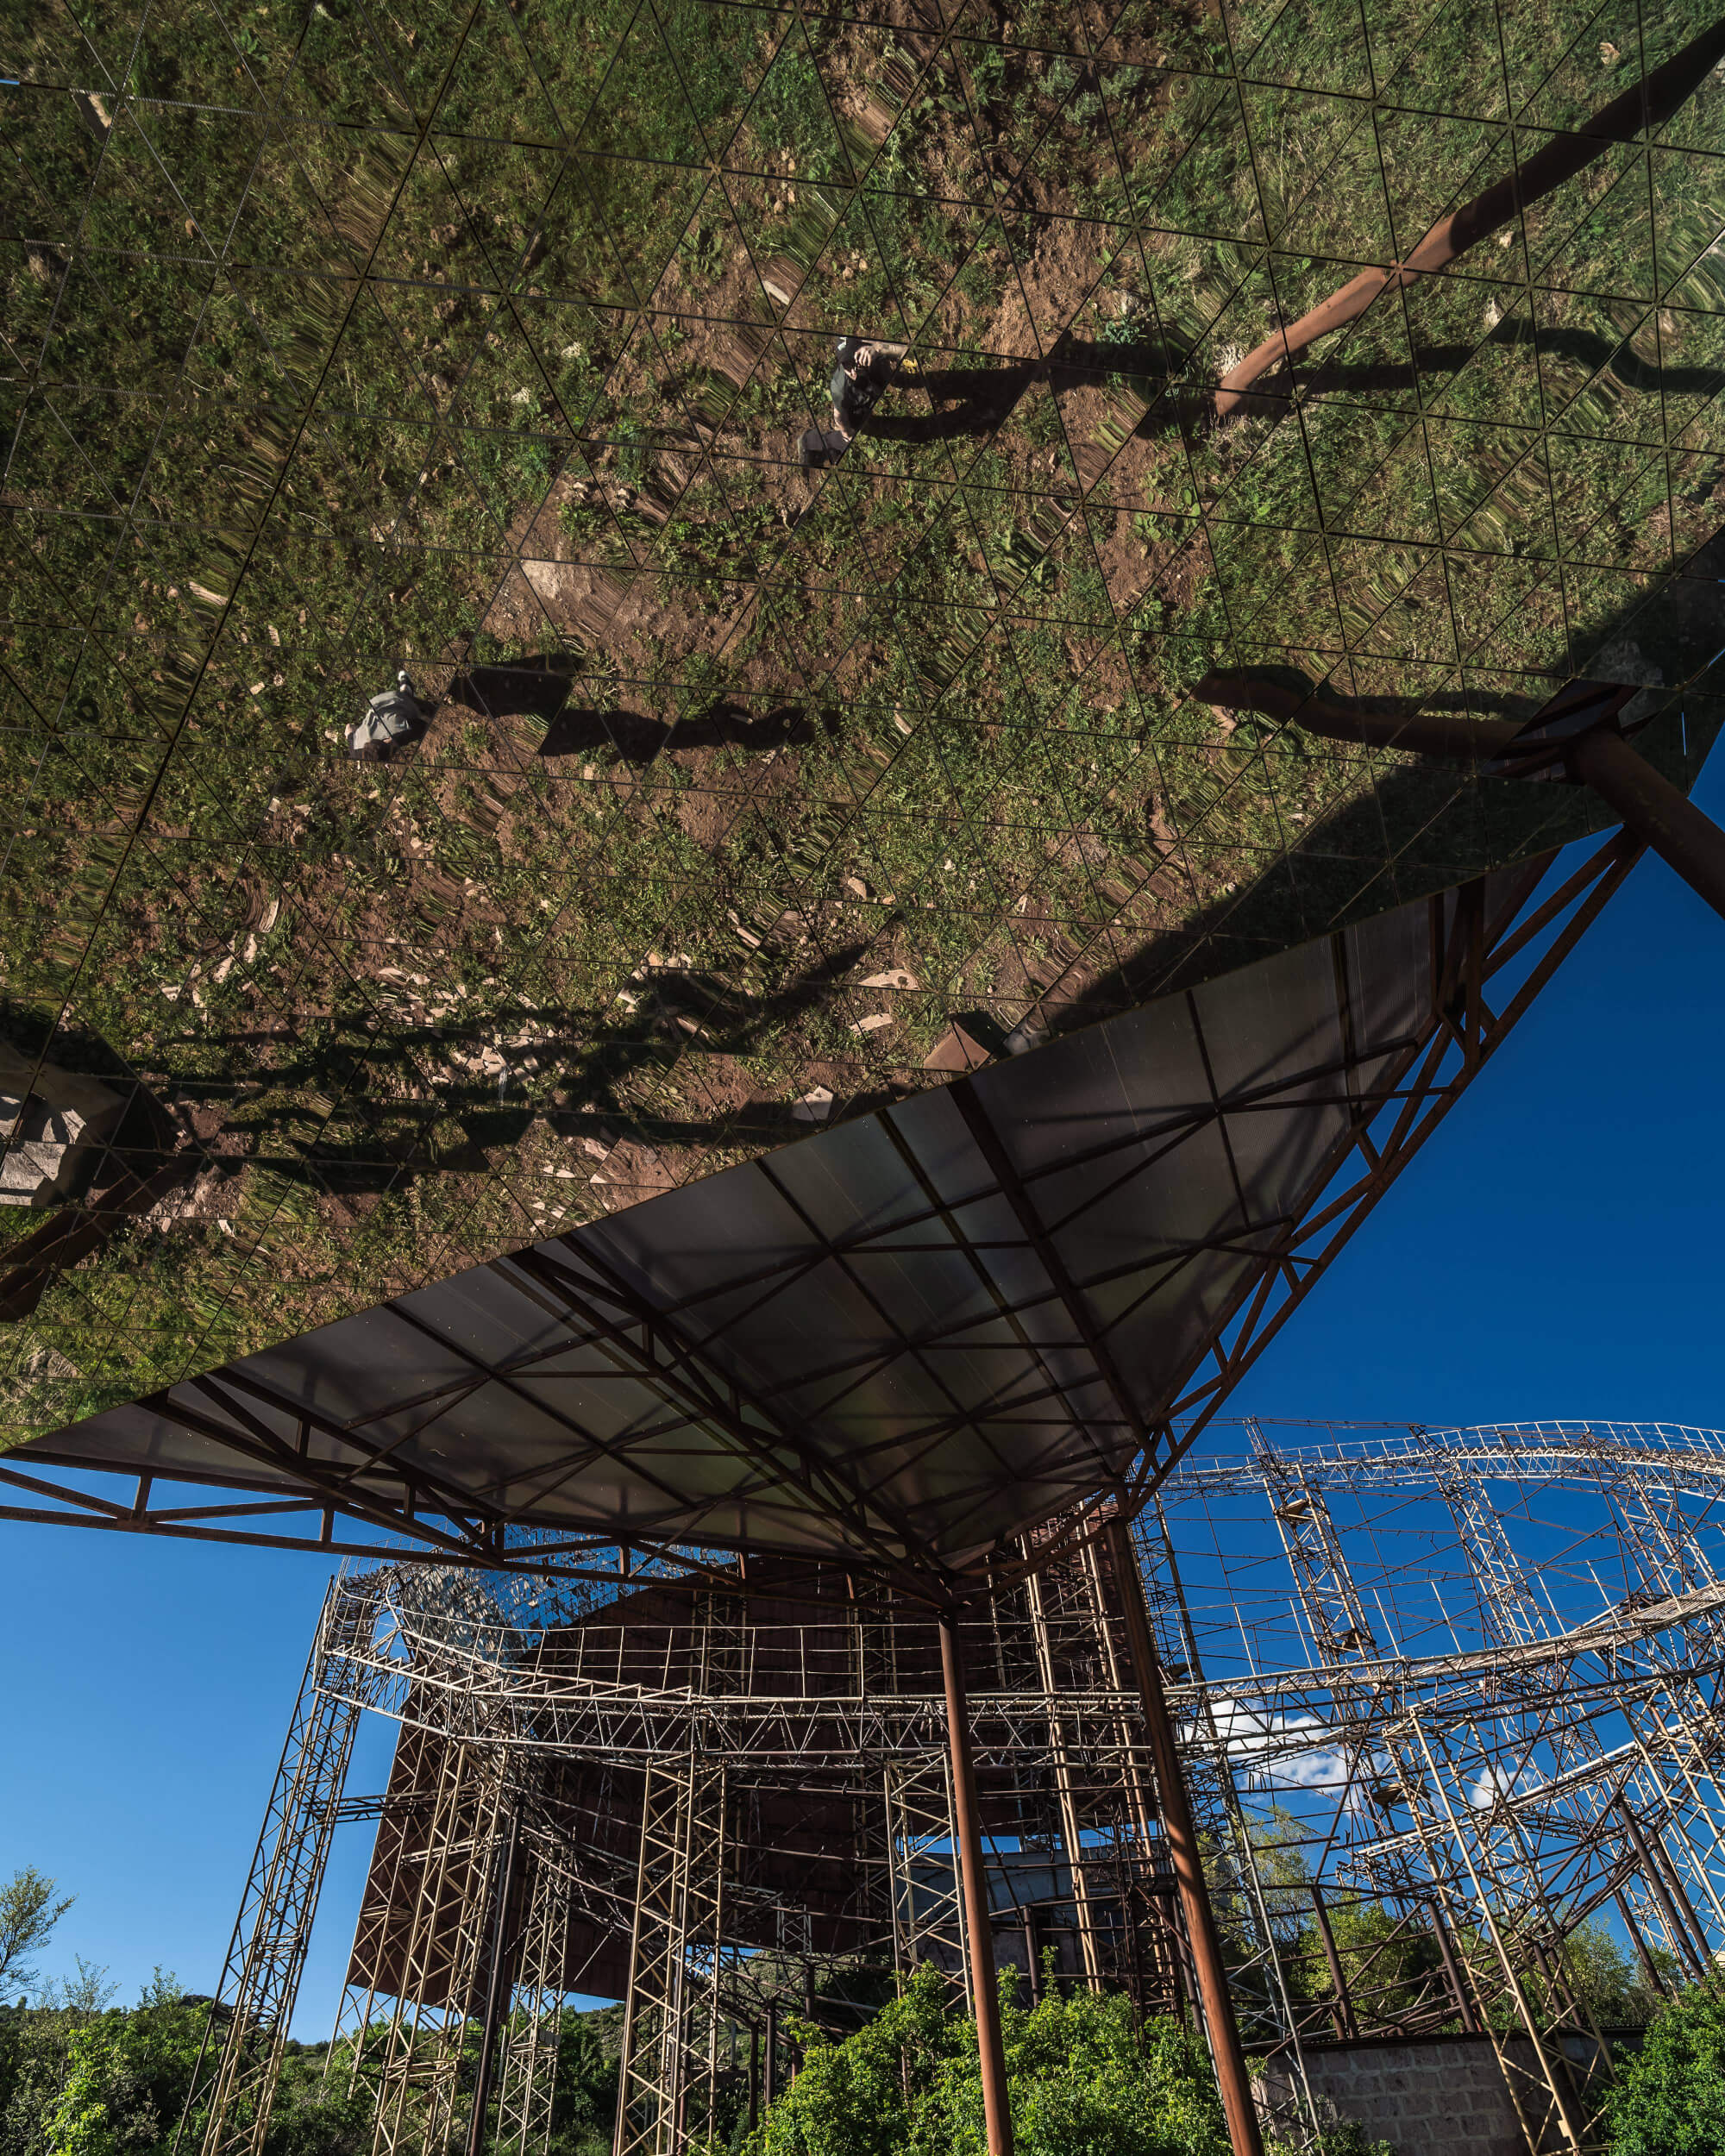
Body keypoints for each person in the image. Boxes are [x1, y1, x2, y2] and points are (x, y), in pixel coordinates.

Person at [800, 335, 920, 470]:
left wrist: (879, 349)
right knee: (860, 426)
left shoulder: (873, 349)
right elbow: (839, 415)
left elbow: (909, 350)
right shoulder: (839, 387)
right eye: (847, 365)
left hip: (877, 377)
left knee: (891, 378)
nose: (853, 370)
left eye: (855, 360)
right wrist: (847, 435)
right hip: (859, 403)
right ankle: (813, 445)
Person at [345, 669, 426, 761]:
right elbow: (349, 727)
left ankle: (406, 685)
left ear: (386, 740)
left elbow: (424, 724)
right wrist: (360, 730)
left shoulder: (402, 731)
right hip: (374, 704)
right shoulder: (355, 751)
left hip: (391, 701)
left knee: (415, 707)